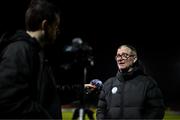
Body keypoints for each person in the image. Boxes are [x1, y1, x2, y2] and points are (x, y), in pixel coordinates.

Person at [0, 0, 61, 119]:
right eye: (56, 26)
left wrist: (80, 89)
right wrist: (45, 116)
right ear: (45, 25)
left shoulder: (35, 52)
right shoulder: (19, 50)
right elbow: (7, 99)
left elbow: (46, 93)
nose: (57, 31)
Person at [96, 44, 165, 119]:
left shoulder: (148, 83)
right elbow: (101, 110)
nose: (120, 59)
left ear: (134, 58)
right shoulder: (108, 84)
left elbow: (157, 110)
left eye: (124, 55)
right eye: (118, 56)